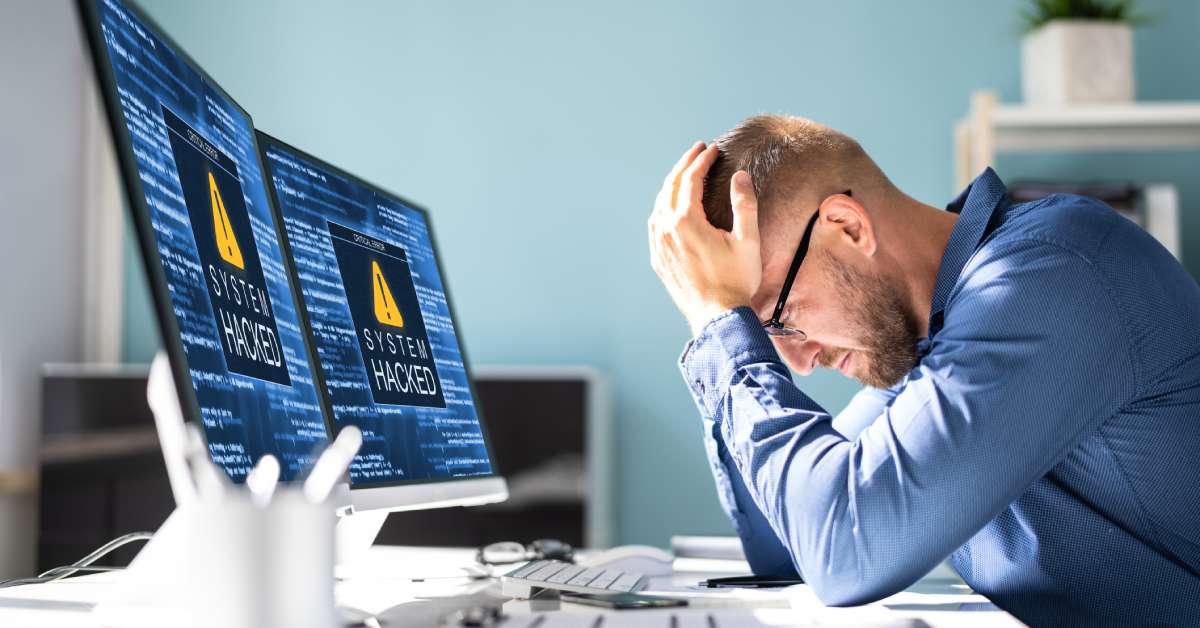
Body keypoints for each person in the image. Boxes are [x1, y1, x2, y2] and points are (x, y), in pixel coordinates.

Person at [647, 114, 1200, 626]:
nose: (798, 363)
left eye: (781, 316)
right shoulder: (928, 337)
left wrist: (724, 327)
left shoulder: (1047, 273)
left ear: (847, 226)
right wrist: (719, 326)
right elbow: (786, 545)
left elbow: (845, 551)